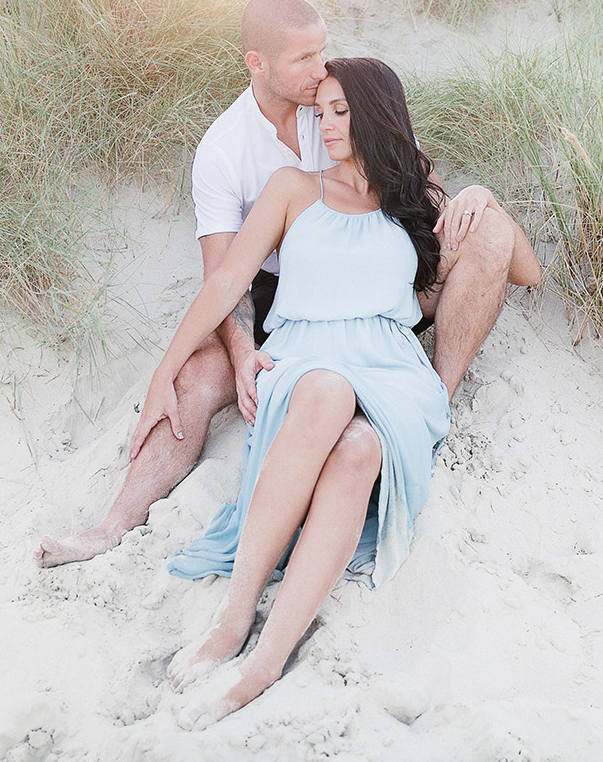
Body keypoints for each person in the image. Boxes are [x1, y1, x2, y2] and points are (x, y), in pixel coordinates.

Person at [34, 0, 539, 568]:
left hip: (382, 282)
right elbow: (225, 279)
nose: (319, 71)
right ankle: (110, 526)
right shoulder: (225, 151)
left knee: (490, 232)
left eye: (322, 52)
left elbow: (427, 197)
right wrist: (235, 355)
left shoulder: (341, 103)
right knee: (198, 380)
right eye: (303, 58)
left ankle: (433, 405)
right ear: (257, 63)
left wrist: (478, 195)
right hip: (285, 294)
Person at [138, 57, 540, 725]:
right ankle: (234, 620)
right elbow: (225, 282)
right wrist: (163, 374)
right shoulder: (293, 187)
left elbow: (520, 266)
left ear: (376, 114)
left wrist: (482, 196)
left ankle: (267, 661)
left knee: (358, 452)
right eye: (319, 111)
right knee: (325, 393)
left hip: (387, 369)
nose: (324, 124)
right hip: (306, 357)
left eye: (340, 111)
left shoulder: (413, 196)